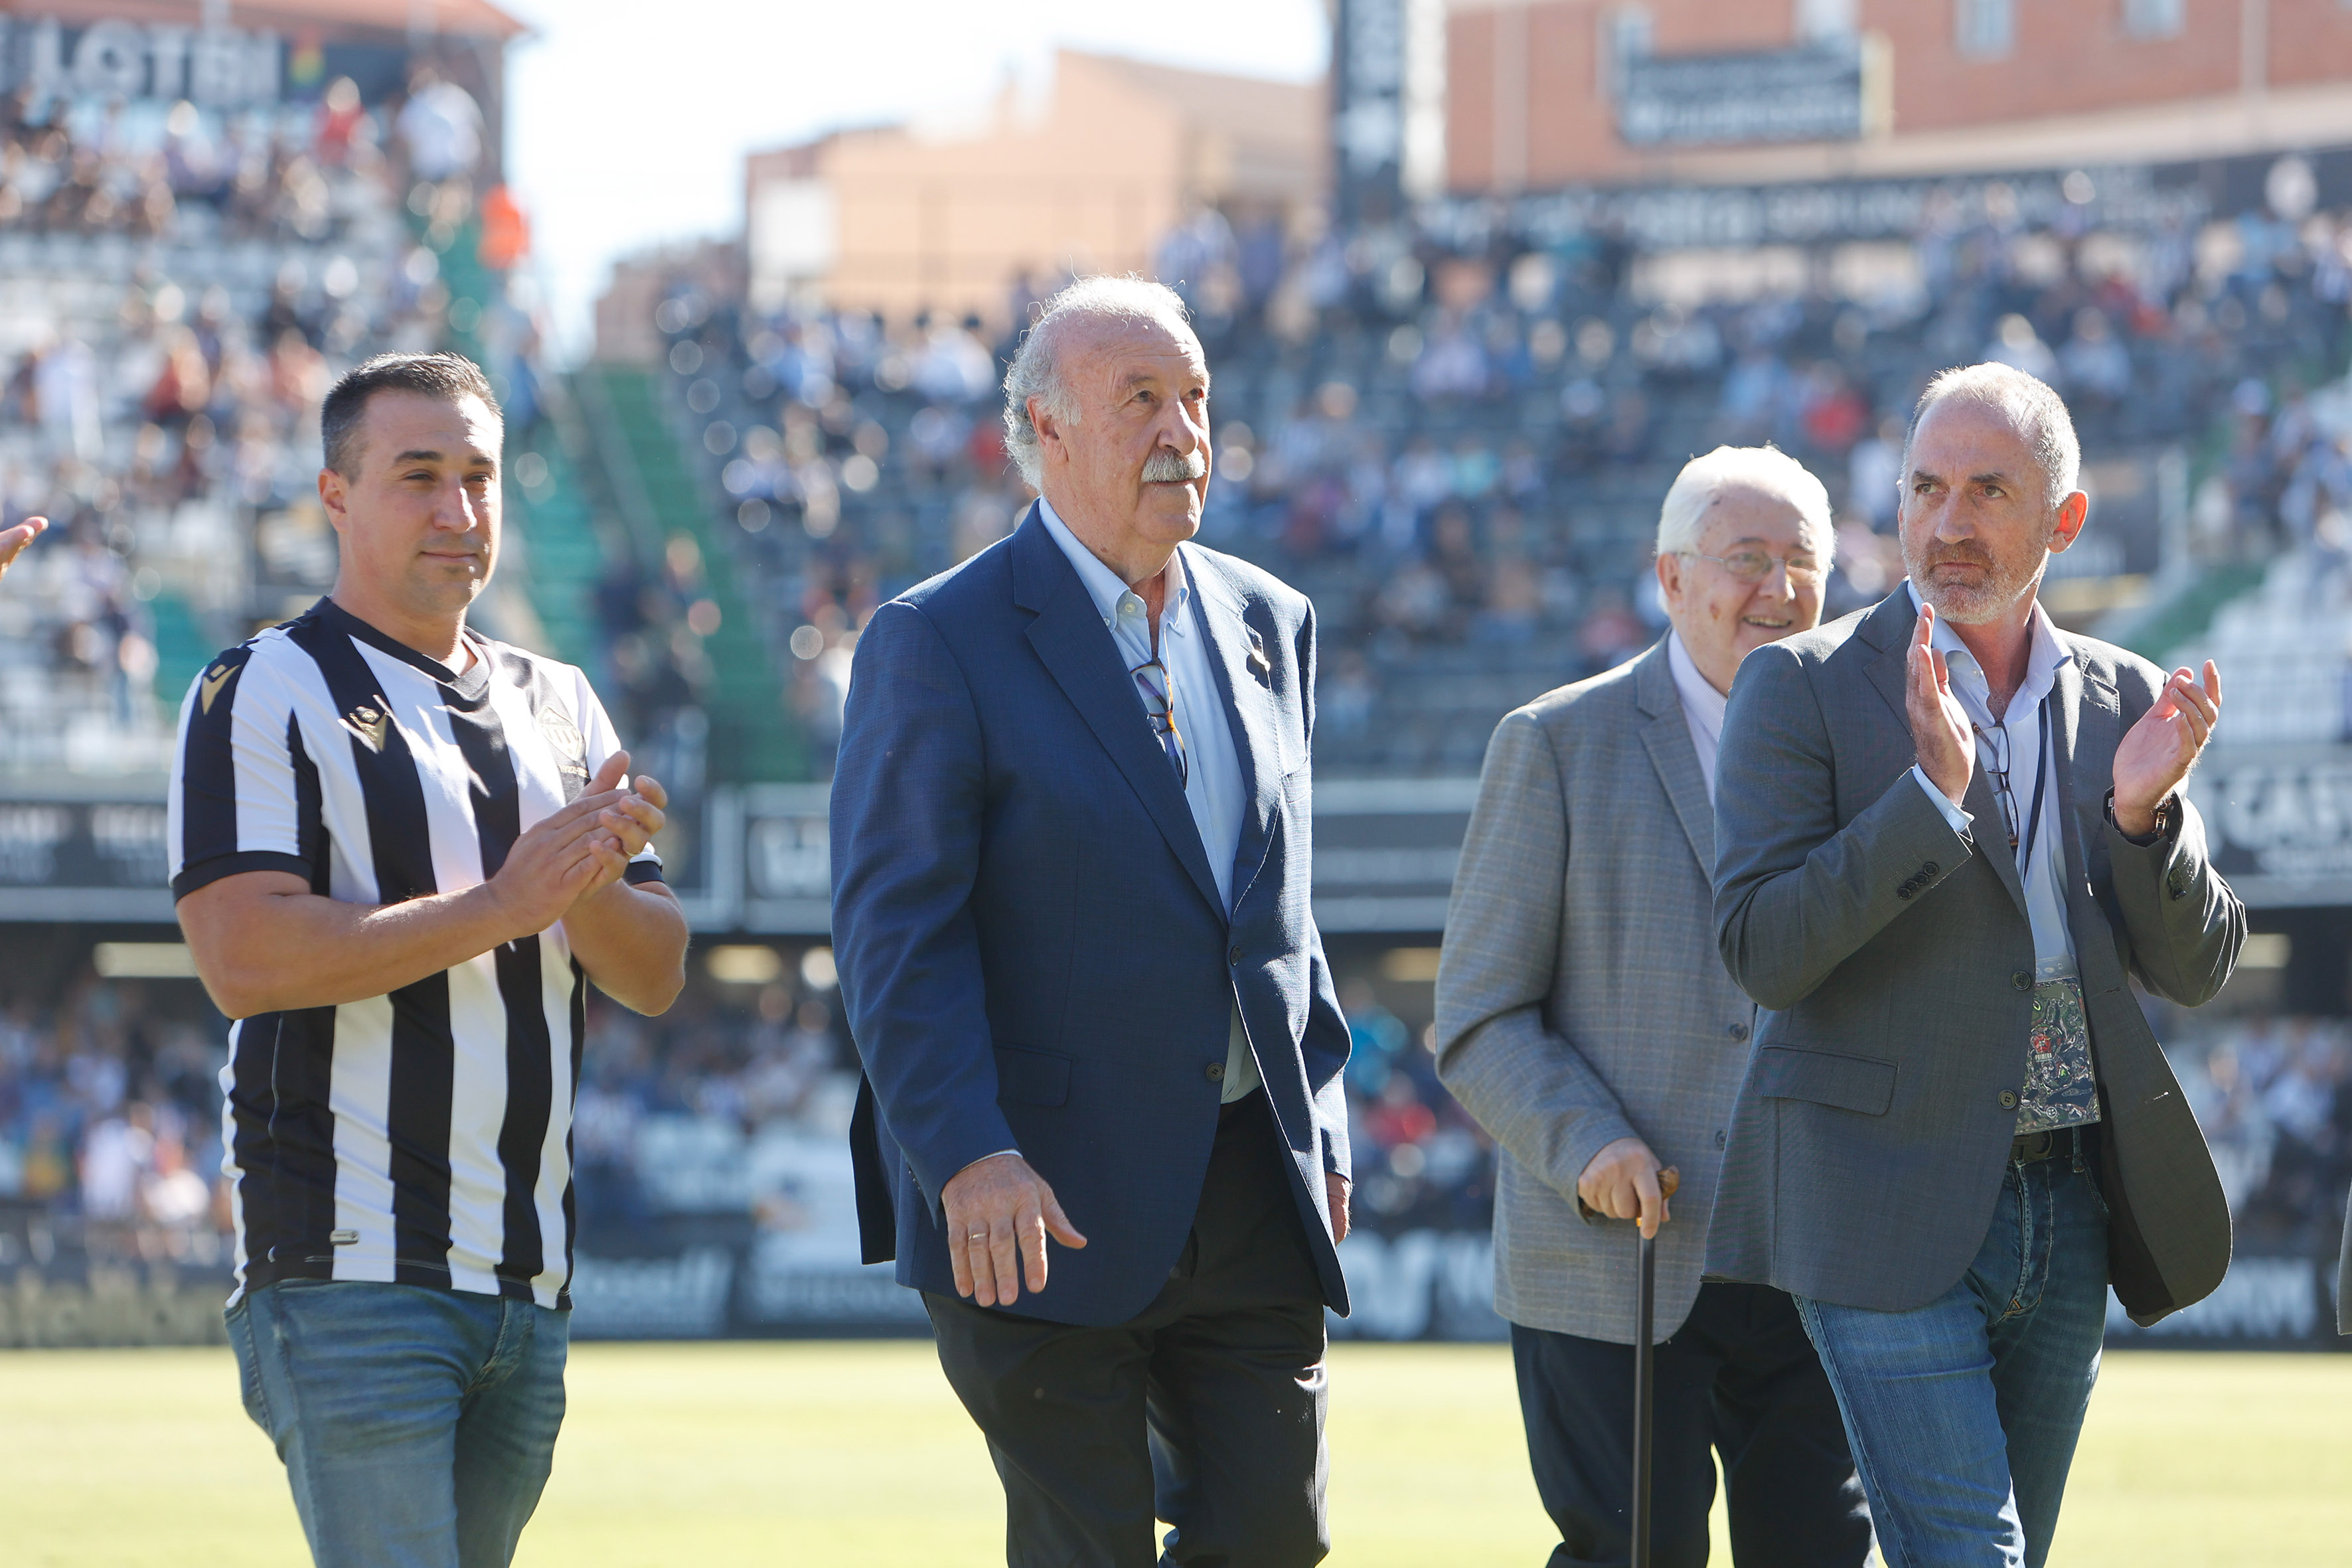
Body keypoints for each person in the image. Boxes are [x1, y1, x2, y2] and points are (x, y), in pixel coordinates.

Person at [831, 276, 1353, 1568]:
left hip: (1246, 1179)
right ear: (1040, 427)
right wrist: (965, 1154)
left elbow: (1277, 909)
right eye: (1140, 401)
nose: (1182, 430)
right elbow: (896, 934)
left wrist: (1319, 1113)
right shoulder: (934, 639)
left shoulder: (1268, 620)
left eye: (1194, 399)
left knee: (1275, 1536)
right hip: (1031, 1196)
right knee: (1086, 1548)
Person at [1707, 362, 2242, 1567]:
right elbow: (1759, 950)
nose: (1948, 523)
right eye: (1926, 487)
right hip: (1877, 1200)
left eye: (1988, 489)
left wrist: (2145, 821)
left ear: (2064, 518)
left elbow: (2201, 966)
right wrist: (1924, 805)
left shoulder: (2128, 698)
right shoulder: (1799, 686)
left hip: (2071, 1207)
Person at [170, 352, 689, 1568]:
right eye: (420, 477)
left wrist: (589, 881)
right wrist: (509, 900)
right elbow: (243, 957)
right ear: (335, 495)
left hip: (529, 1278)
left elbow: (655, 973)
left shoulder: (559, 702)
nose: (460, 511)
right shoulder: (259, 686)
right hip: (350, 1266)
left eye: (479, 477)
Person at [1435, 446, 1871, 1568]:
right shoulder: (1554, 743)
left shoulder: (1875, 753)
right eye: (1746, 560)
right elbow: (1480, 1015)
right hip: (1615, 1254)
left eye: (1801, 562)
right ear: (1671, 580)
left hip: (1815, 1254)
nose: (1777, 588)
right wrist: (1588, 1142)